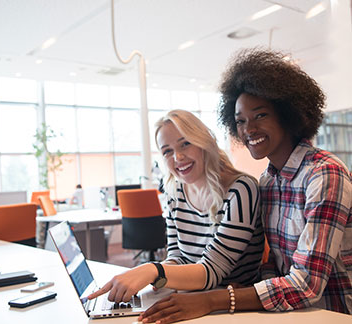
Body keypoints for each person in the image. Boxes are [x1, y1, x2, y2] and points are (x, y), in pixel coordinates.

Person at [138, 48, 352, 324]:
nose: (248, 129)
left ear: (287, 114)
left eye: (260, 115)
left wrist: (215, 299)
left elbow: (306, 283)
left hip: (332, 313)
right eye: (240, 121)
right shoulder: (269, 180)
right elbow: (275, 265)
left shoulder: (324, 174)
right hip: (288, 313)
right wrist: (243, 292)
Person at [88, 109, 264, 304]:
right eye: (167, 151)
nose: (178, 157)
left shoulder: (241, 189)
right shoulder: (175, 193)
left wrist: (154, 270)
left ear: (203, 143)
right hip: (191, 298)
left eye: (186, 144)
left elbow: (212, 271)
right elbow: (178, 256)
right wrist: (157, 277)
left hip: (230, 304)